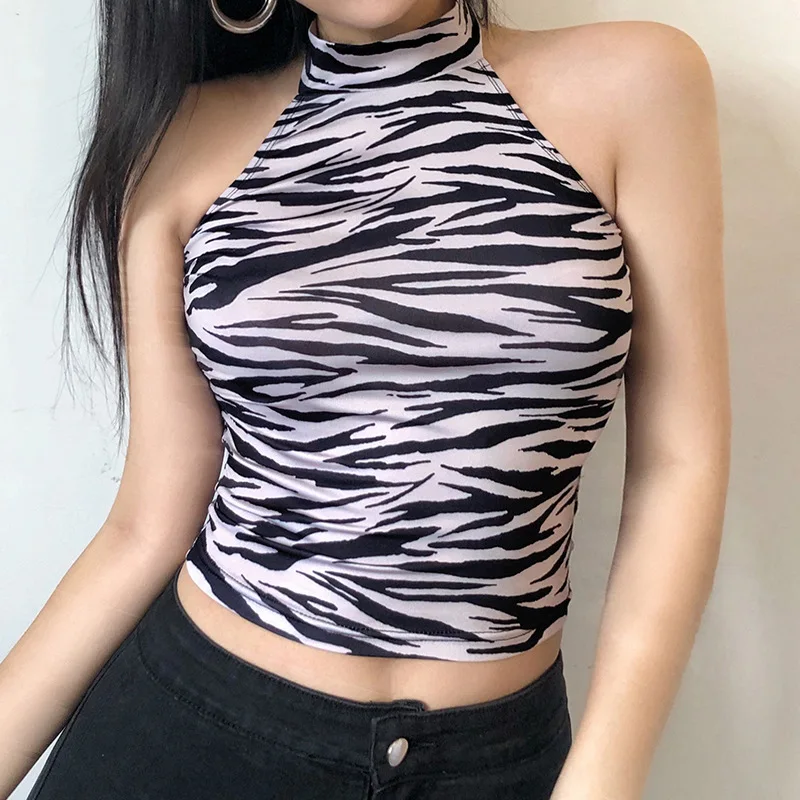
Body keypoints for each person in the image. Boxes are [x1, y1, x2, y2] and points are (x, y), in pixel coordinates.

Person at [1, 0, 730, 798]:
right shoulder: (181, 136)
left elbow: (679, 462)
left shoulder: (638, 83)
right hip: (198, 729)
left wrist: (605, 777)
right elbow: (145, 526)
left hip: (497, 759)